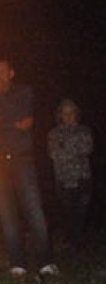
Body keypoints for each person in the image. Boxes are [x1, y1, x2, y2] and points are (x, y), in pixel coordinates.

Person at [0, 60, 55, 276]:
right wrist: (10, 124)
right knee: (7, 213)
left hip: (22, 159)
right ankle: (17, 263)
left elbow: (26, 121)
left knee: (34, 209)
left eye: (2, 71)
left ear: (12, 72)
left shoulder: (24, 92)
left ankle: (45, 262)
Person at [47, 99, 93, 251]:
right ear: (60, 115)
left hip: (82, 178)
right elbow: (54, 154)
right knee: (67, 213)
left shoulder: (85, 131)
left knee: (81, 214)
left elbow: (87, 148)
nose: (68, 116)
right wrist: (73, 148)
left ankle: (80, 245)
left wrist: (65, 147)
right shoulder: (53, 133)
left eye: (71, 113)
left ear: (76, 114)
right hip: (63, 179)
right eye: (64, 113)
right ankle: (70, 244)